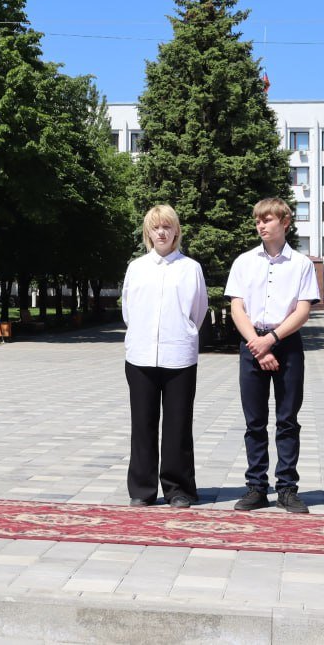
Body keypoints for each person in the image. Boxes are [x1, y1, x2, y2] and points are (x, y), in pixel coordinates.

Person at [223, 198, 321, 513]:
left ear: (285, 222)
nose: (262, 225)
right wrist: (256, 342)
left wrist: (273, 339)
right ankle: (255, 487)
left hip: (287, 343)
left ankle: (287, 488)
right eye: (258, 221)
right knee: (255, 421)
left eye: (267, 220)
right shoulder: (244, 262)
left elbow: (303, 310)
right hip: (252, 343)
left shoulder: (301, 264)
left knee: (287, 420)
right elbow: (236, 305)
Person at [121, 204, 208, 507]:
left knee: (177, 425)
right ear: (148, 232)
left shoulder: (190, 268)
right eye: (155, 227)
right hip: (141, 357)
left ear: (176, 231)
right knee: (142, 424)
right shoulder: (137, 267)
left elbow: (198, 312)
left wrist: (182, 333)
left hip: (179, 357)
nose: (161, 232)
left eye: (167, 226)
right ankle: (142, 490)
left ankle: (178, 489)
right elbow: (128, 311)